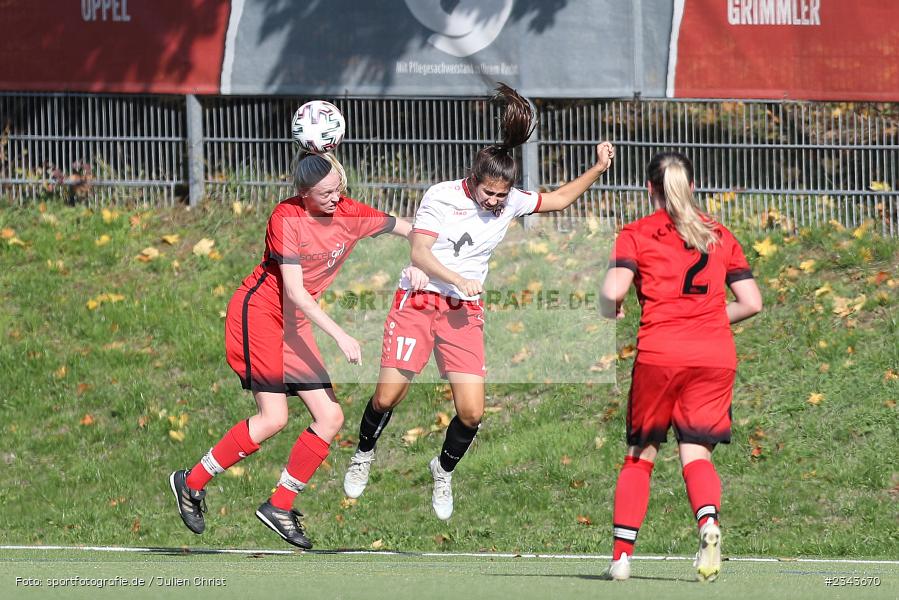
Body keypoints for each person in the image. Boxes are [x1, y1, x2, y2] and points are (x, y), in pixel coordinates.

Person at [341, 83, 615, 520]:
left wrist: (598, 168)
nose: (495, 202)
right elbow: (419, 253)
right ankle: (363, 453)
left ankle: (442, 469)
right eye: (489, 193)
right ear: (473, 181)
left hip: (461, 314)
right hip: (419, 300)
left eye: (502, 196)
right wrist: (457, 278)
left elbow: (560, 198)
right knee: (388, 397)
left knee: (471, 413)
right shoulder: (441, 196)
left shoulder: (510, 204)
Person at [169, 151, 428, 549]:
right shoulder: (286, 218)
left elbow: (407, 228)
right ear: (303, 193)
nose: (335, 198)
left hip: (297, 325)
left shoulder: (349, 211)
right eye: (325, 192)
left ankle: (280, 504)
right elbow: (294, 292)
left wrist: (432, 254)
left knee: (330, 416)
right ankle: (191, 483)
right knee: (273, 418)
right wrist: (341, 336)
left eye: (338, 189)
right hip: (261, 315)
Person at [597, 151, 763, 582]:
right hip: (714, 357)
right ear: (692, 187)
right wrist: (705, 317)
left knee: (640, 456)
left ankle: (621, 558)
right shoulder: (719, 233)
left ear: (649, 189)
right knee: (696, 453)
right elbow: (752, 303)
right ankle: (708, 523)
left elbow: (613, 290)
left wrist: (609, 306)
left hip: (661, 355)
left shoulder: (635, 234)